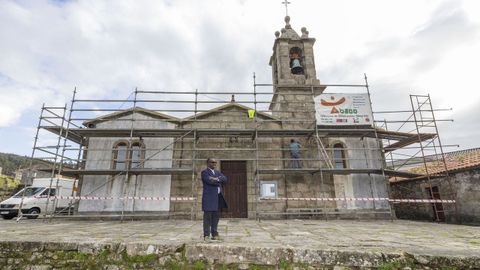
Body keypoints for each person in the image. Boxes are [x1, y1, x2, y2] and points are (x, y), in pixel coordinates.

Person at [201, 158, 228, 241]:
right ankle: (206, 236)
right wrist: (218, 180)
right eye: (212, 162)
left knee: (216, 218)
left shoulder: (217, 172)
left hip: (217, 198)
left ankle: (215, 234)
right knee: (207, 218)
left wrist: (216, 179)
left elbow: (225, 179)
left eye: (215, 162)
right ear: (208, 163)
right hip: (209, 198)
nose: (214, 164)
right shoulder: (204, 172)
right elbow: (209, 181)